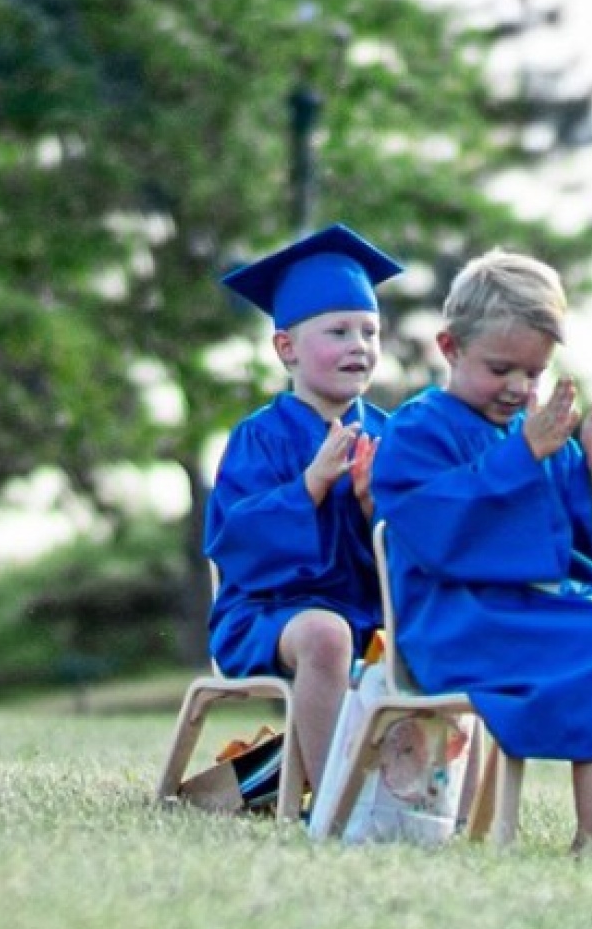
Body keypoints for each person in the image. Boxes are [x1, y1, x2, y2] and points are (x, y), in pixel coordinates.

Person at [373, 250, 592, 863]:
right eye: (500, 368)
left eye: (534, 372)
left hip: (528, 613)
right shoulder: (418, 430)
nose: (518, 388)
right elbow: (435, 530)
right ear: (449, 347)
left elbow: (579, 544)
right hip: (459, 623)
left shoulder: (539, 428)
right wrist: (521, 456)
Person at [204, 223, 406, 804]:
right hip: (269, 617)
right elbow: (235, 541)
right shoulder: (258, 439)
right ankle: (336, 810)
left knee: (444, 628)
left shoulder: (393, 436)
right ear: (286, 347)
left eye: (369, 331)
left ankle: (428, 801)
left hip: (370, 617)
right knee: (325, 632)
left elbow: (415, 552)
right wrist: (310, 486)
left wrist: (374, 506)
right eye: (338, 331)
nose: (359, 345)